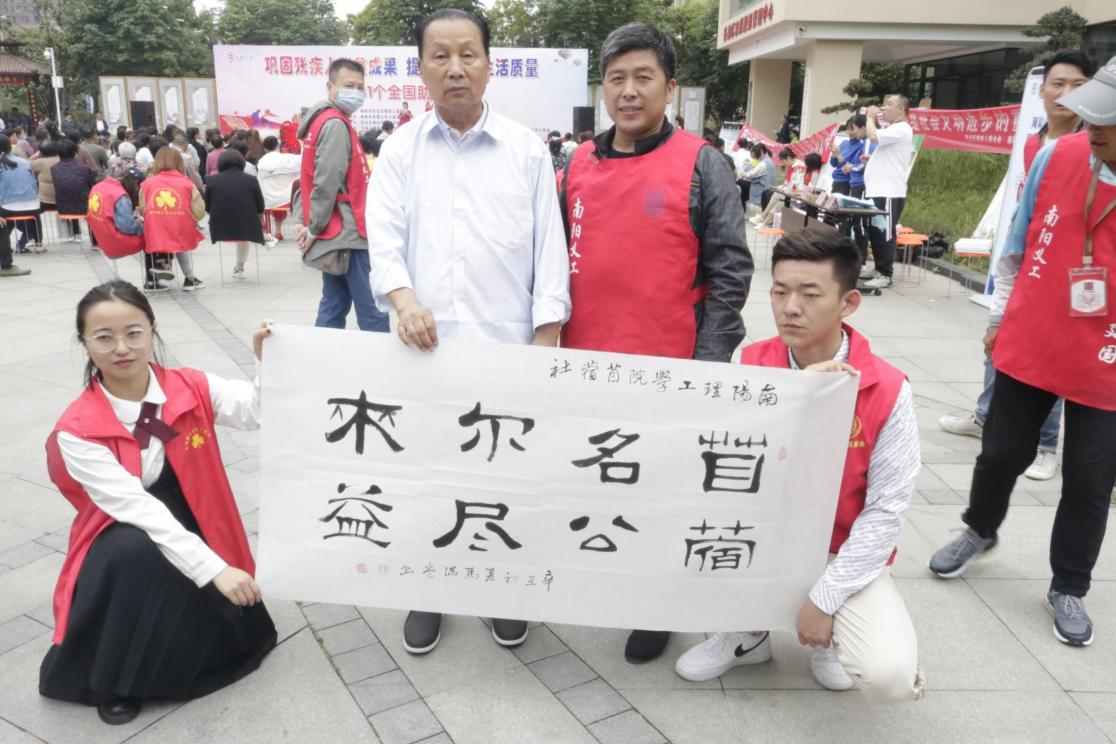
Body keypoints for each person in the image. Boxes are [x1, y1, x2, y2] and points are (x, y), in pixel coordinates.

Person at [367, 8, 571, 655]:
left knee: (504, 477)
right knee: (427, 474)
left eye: (468, 54)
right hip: (423, 350)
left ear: (489, 63)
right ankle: (428, 589)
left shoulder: (526, 150)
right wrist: (403, 300)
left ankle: (503, 589)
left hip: (507, 351)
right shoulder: (399, 151)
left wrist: (547, 335)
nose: (455, 68)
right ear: (421, 67)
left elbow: (550, 247)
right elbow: (383, 241)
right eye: (440, 56)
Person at [559, 22, 752, 664]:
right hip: (587, 363)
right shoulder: (576, 165)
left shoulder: (703, 163)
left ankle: (657, 602)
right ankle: (608, 575)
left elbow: (731, 270)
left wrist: (709, 367)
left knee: (661, 491)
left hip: (667, 368)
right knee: (601, 480)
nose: (629, 91)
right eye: (616, 79)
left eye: (643, 78)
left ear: (670, 88)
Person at [674, 228, 923, 701]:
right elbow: (719, 468)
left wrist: (825, 600)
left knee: (889, 676)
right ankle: (746, 633)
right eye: (779, 291)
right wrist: (796, 400)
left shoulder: (889, 390)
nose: (790, 307)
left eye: (810, 294)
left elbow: (886, 512)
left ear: (848, 302)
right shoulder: (749, 367)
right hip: (760, 536)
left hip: (839, 549)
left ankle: (829, 636)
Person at [928, 55, 1116, 648]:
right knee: (1000, 453)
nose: (1093, 130)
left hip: (1108, 355)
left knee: (1089, 479)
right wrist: (999, 317)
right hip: (1036, 332)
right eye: (1090, 117)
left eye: (1106, 121)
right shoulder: (1059, 155)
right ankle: (979, 530)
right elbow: (1016, 245)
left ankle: (1069, 586)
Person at [40, 280, 276, 724]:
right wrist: (214, 569)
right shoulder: (78, 429)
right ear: (84, 342)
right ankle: (118, 680)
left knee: (233, 618)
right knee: (135, 550)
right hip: (121, 532)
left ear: (153, 329)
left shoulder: (190, 386)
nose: (121, 348)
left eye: (133, 332)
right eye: (103, 337)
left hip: (190, 512)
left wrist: (267, 361)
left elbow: (255, 411)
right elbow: (136, 507)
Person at [937, 50, 1097, 481]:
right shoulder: (1034, 142)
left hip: (1070, 272)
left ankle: (1046, 445)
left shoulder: (1094, 146)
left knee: (1053, 356)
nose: (1065, 93)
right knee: (998, 340)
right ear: (1042, 90)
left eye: (1078, 86)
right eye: (1057, 84)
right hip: (1026, 258)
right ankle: (985, 416)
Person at [296, 58, 390, 332]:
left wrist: (310, 223)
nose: (356, 92)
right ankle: (380, 356)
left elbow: (310, 178)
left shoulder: (321, 121)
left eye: (361, 87)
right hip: (350, 232)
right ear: (331, 87)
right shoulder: (336, 124)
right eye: (349, 85)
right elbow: (327, 181)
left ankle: (320, 355)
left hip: (336, 232)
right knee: (372, 309)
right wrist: (314, 227)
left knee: (333, 304)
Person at [860, 95, 913, 289]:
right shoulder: (893, 129)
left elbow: (873, 136)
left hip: (889, 191)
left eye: (890, 104)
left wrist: (870, 117)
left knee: (884, 233)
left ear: (901, 109)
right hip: (879, 190)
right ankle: (878, 268)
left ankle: (885, 273)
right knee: (876, 231)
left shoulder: (901, 128)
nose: (885, 107)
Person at [138, 147, 206, 290]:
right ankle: (189, 278)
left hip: (155, 226)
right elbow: (199, 209)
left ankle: (155, 275)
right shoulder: (187, 183)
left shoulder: (147, 183)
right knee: (180, 239)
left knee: (158, 234)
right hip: (180, 225)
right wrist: (191, 219)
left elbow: (143, 207)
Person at [205, 149, 265, 280]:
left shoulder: (212, 180)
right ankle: (240, 266)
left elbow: (208, 208)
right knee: (245, 229)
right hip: (247, 226)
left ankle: (239, 266)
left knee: (242, 228)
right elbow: (260, 206)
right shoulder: (251, 180)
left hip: (220, 226)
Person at [85, 164, 145, 261]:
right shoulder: (121, 196)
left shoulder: (98, 187)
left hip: (102, 237)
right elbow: (126, 226)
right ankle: (158, 265)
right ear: (136, 186)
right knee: (152, 235)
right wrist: (141, 226)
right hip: (115, 242)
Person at [0, 134, 39, 276]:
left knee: (2, 224)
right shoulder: (24, 162)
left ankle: (6, 265)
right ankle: (37, 242)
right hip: (33, 206)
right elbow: (33, 184)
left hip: (8, 207)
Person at [256, 135, 301, 244]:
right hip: (288, 199)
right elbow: (304, 162)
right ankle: (279, 231)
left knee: (270, 201)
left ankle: (270, 231)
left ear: (265, 148)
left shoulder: (261, 162)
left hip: (267, 198)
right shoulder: (288, 158)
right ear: (278, 145)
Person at [52, 139, 96, 243]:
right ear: (75, 153)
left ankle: (75, 234)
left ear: (58, 154)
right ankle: (95, 242)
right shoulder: (85, 169)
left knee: (72, 193)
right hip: (85, 207)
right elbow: (92, 186)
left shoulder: (53, 169)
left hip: (63, 207)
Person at [829, 115, 867, 197]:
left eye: (852, 129)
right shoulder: (844, 143)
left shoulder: (861, 145)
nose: (848, 132)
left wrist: (839, 155)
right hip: (836, 179)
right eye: (847, 129)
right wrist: (834, 155)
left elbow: (851, 166)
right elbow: (833, 164)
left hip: (846, 181)